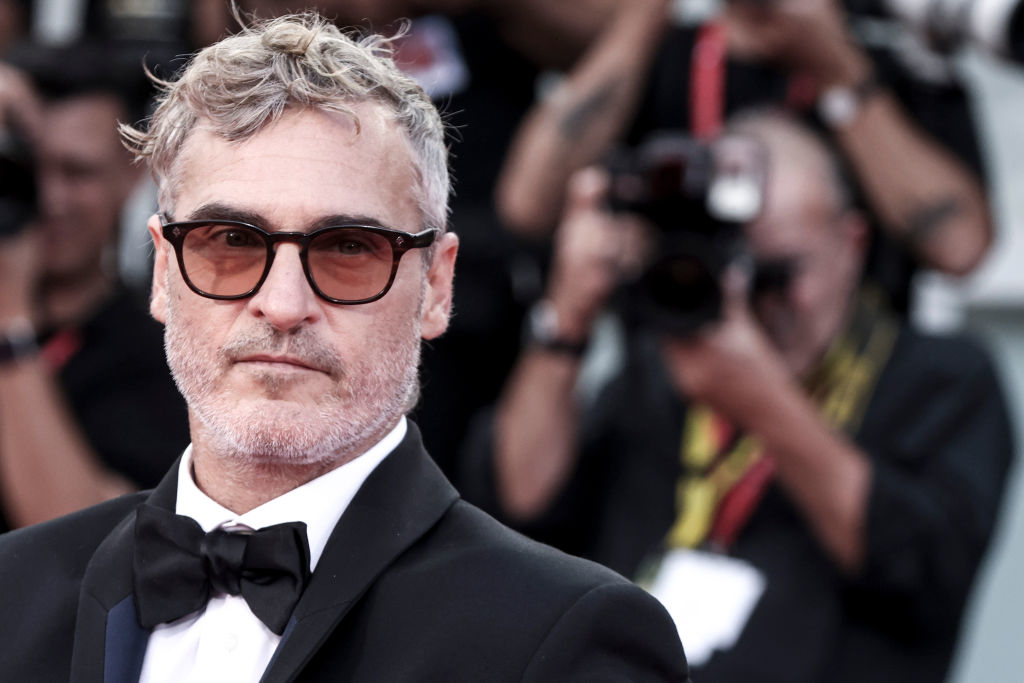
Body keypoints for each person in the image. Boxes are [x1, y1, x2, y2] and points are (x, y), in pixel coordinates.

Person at [0, 13, 689, 682]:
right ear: (161, 272)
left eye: (349, 249)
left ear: (436, 287)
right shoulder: (12, 589)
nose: (283, 304)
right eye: (231, 242)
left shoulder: (564, 635)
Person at [463, 109, 1013, 681]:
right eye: (736, 269)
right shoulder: (662, 366)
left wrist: (762, 400)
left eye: (779, 274)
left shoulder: (942, 377)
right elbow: (519, 503)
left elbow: (924, 571)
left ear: (851, 243)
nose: (754, 304)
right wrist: (566, 320)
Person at [496, 0, 993, 313]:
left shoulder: (898, 60)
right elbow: (528, 204)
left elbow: (961, 249)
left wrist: (840, 72)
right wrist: (644, 15)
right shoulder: (664, 56)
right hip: (680, 381)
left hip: (853, 388)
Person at [0, 42, 189, 530]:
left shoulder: (163, 351)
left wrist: (10, 324)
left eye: (76, 172)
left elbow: (78, 539)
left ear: (132, 178)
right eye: (24, 171)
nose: (49, 199)